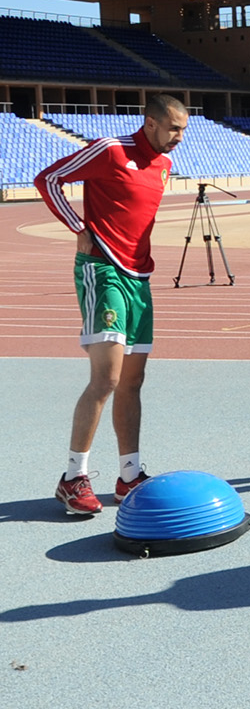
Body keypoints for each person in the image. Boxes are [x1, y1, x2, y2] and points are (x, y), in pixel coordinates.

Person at [34, 93, 188, 514]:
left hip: (141, 279)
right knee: (107, 378)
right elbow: (48, 179)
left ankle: (128, 475)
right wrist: (78, 227)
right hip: (103, 271)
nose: (179, 137)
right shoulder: (110, 149)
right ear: (151, 122)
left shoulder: (164, 165)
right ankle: (72, 477)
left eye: (184, 130)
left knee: (133, 381)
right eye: (174, 128)